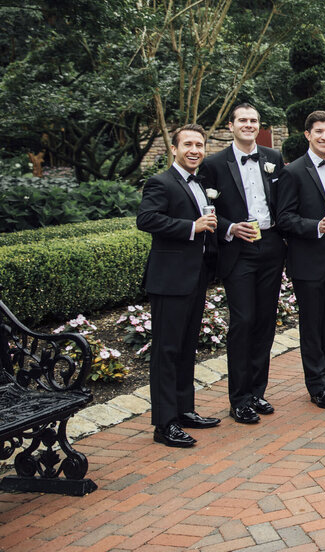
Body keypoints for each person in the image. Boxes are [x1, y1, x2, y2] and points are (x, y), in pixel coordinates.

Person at [199, 104, 286, 425]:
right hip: (238, 250)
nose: (249, 125)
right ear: (231, 126)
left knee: (265, 321)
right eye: (243, 121)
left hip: (271, 246)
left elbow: (282, 199)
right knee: (243, 320)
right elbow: (206, 206)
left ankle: (256, 392)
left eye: (254, 121)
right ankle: (239, 399)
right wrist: (229, 228)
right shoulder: (214, 164)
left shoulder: (273, 159)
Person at [137, 123, 221, 447]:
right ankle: (164, 423)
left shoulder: (200, 183)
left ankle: (185, 410)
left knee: (187, 348)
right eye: (187, 144)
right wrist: (192, 226)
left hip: (195, 276)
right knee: (167, 352)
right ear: (173, 148)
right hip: (169, 279)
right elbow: (146, 219)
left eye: (199, 145)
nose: (194, 150)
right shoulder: (160, 182)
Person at [276, 110, 325, 410]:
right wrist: (314, 228)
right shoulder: (293, 171)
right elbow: (283, 218)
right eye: (319, 131)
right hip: (308, 258)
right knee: (312, 323)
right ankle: (316, 386)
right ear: (307, 135)